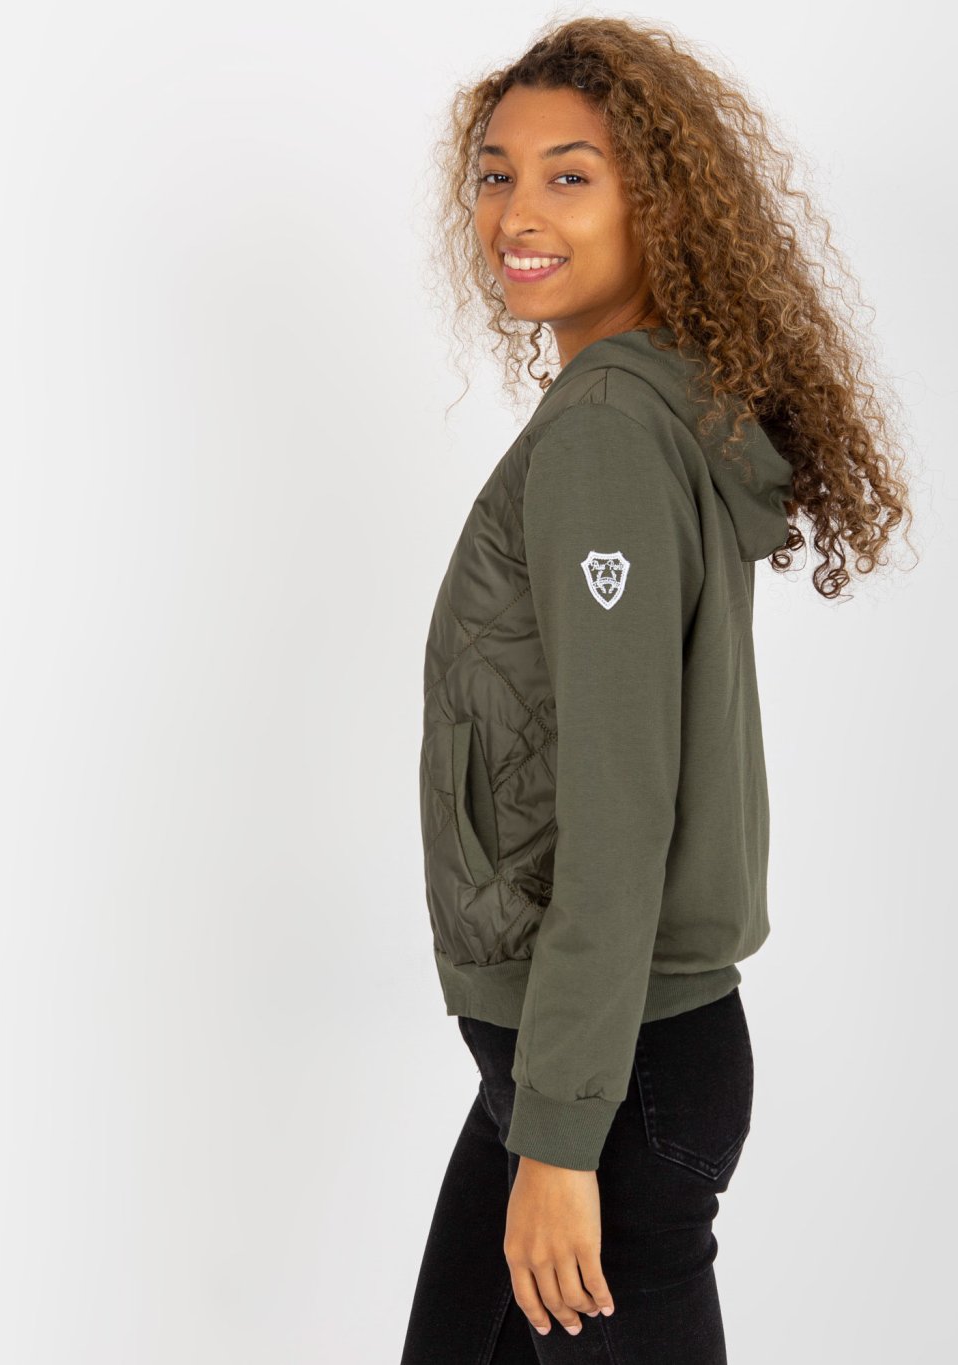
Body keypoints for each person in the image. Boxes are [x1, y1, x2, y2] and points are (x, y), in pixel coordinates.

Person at [402, 16, 912, 1364]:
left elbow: (619, 803)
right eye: (498, 174)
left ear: (661, 205)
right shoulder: (655, 408)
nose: (518, 212)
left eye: (570, 176)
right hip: (579, 1048)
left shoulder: (607, 438)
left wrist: (566, 1135)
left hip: (608, 1067)